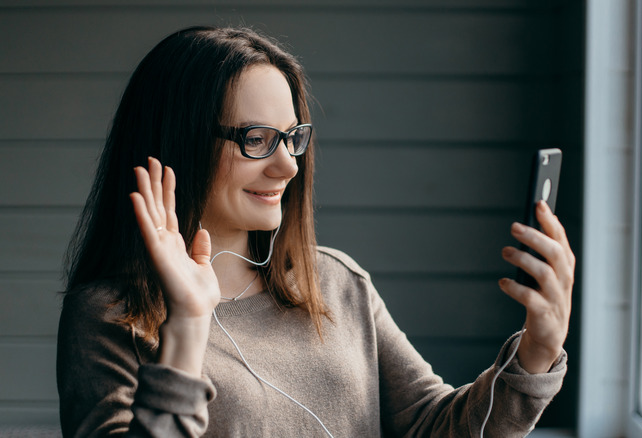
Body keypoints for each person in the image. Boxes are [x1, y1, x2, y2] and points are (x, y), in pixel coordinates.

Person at [57, 26, 575, 437]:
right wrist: (189, 324)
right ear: (178, 143)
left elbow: (436, 426)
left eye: (291, 138)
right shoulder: (107, 316)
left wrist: (536, 350)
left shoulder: (336, 280)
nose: (287, 166)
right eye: (256, 139)